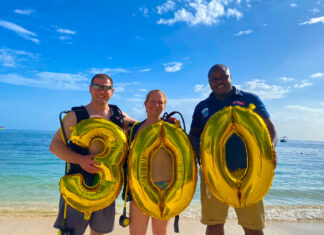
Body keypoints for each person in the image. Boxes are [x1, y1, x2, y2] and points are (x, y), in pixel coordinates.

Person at [189, 64, 277, 235]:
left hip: (248, 171)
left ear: (230, 77)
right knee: (214, 223)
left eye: (223, 77)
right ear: (209, 82)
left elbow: (270, 129)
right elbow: (193, 135)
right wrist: (198, 154)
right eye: (214, 79)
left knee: (253, 225)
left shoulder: (250, 99)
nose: (219, 81)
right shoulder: (202, 107)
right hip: (212, 173)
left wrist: (270, 152)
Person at [50, 73, 136, 235]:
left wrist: (165, 122)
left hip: (107, 186)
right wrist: (80, 160)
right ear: (90, 89)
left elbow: (141, 128)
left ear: (112, 91)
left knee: (99, 232)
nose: (101, 90)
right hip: (77, 185)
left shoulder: (118, 116)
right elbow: (55, 146)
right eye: (97, 86)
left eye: (106, 87)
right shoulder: (76, 116)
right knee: (71, 232)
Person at [126, 90, 172, 235]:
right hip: (139, 188)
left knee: (160, 231)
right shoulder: (134, 129)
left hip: (164, 188)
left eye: (160, 102)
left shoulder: (171, 129)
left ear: (164, 106)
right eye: (152, 101)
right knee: (136, 232)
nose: (156, 105)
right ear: (145, 104)